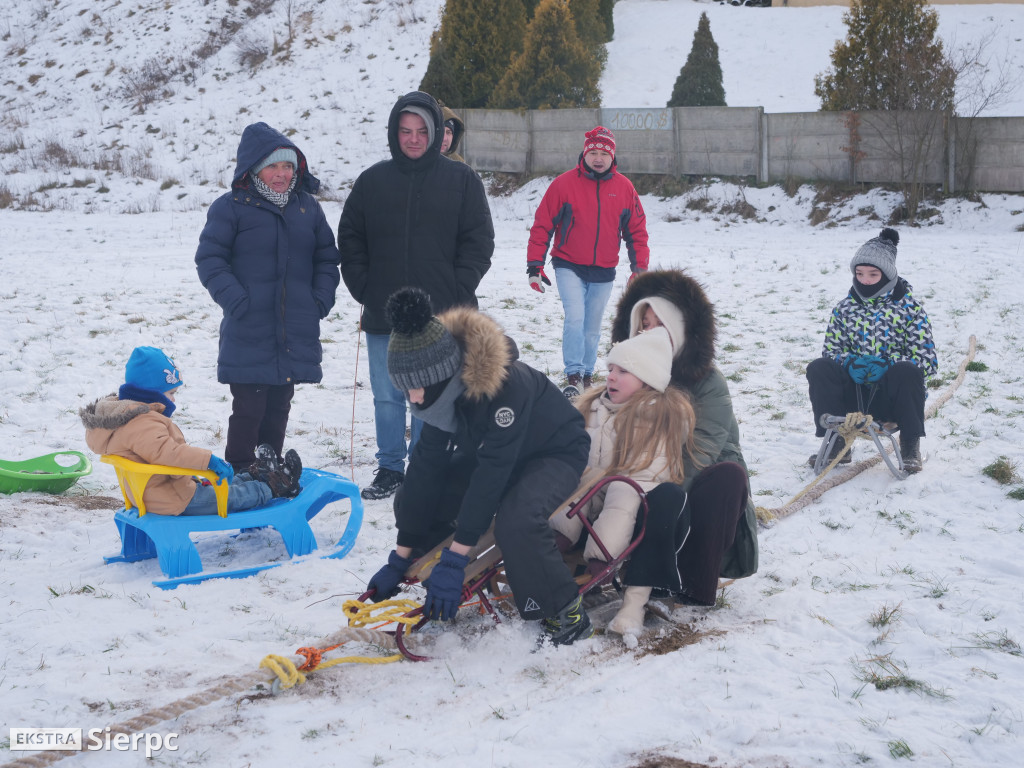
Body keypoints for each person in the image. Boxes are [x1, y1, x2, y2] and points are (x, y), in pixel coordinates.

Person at [364, 287, 594, 646]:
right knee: (414, 497)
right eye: (405, 389)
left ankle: (566, 610)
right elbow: (426, 466)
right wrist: (402, 553)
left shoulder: (505, 389)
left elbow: (491, 476)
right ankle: (440, 583)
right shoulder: (441, 394)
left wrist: (458, 557)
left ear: (443, 373)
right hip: (497, 453)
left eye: (417, 388)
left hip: (553, 452)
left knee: (517, 521)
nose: (413, 399)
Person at [338, 91, 495, 501]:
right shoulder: (373, 181)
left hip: (441, 316)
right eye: (405, 131)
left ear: (436, 132)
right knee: (388, 395)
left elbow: (479, 241)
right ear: (394, 133)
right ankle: (390, 467)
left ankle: (428, 466)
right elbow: (350, 238)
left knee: (434, 396)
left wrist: (459, 289)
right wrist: (366, 289)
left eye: (421, 130)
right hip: (383, 314)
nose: (412, 138)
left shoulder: (461, 180)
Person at [607, 269, 759, 610]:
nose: (650, 332)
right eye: (644, 324)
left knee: (726, 477)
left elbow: (702, 452)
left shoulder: (708, 384)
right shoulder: (625, 374)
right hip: (631, 481)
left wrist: (653, 493)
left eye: (659, 324)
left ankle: (692, 581)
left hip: (691, 488)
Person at [195, 122, 341, 474]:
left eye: (287, 166)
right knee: (249, 407)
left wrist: (319, 299)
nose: (281, 174)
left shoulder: (307, 208)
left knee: (280, 405)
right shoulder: (230, 208)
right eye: (273, 166)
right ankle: (243, 472)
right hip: (249, 326)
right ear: (255, 168)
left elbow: (326, 257)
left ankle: (271, 469)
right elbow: (210, 259)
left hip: (294, 328)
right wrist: (237, 301)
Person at [548, 326, 696, 637]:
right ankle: (555, 539)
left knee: (622, 489)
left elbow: (648, 474)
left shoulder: (659, 417)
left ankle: (614, 576)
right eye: (610, 369)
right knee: (577, 482)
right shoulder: (593, 408)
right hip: (590, 495)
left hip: (640, 503)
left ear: (647, 381)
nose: (611, 377)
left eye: (623, 372)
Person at [80, 347, 302, 517]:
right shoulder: (142, 422)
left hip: (157, 489)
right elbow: (170, 454)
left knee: (219, 483)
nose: (174, 399)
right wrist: (209, 461)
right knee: (233, 496)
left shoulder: (124, 416)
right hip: (173, 498)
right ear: (151, 394)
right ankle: (275, 486)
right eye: (170, 393)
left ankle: (254, 475)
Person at [526, 126, 650, 395]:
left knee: (592, 326)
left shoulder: (625, 188)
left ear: (612, 156)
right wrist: (535, 265)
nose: (598, 157)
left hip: (604, 269)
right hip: (568, 263)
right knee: (575, 318)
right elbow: (542, 225)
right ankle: (572, 375)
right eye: (592, 152)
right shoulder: (564, 184)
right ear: (584, 154)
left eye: (603, 153)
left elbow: (637, 232)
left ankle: (587, 374)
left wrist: (639, 269)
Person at [806, 228, 937, 473]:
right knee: (819, 368)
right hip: (852, 398)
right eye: (859, 273)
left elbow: (927, 361)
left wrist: (888, 365)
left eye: (872, 274)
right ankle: (837, 442)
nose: (864, 280)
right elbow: (831, 350)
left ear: (887, 275)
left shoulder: (910, 310)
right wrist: (850, 362)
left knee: (908, 371)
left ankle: (910, 444)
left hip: (890, 399)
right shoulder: (844, 309)